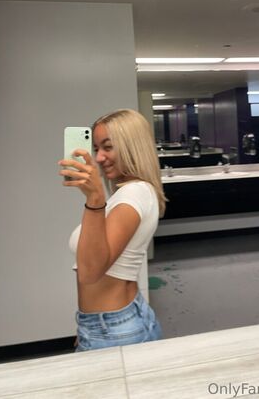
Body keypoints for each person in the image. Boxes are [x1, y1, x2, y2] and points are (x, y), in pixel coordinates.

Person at [58, 109, 166, 352]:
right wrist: (88, 325)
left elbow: (90, 272)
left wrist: (95, 199)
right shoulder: (135, 191)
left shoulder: (133, 194)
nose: (99, 157)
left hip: (114, 330)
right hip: (110, 323)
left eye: (108, 147)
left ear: (131, 147)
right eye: (96, 148)